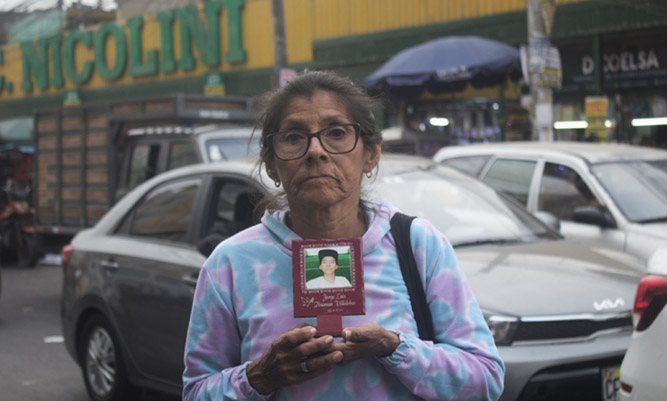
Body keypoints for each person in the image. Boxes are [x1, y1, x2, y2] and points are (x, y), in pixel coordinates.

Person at [183, 70, 505, 401]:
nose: (315, 151)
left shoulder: (419, 245)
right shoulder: (231, 263)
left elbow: (486, 379)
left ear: (371, 154)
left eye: (336, 132)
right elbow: (196, 392)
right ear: (271, 165)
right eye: (293, 136)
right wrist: (261, 376)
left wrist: (395, 347)